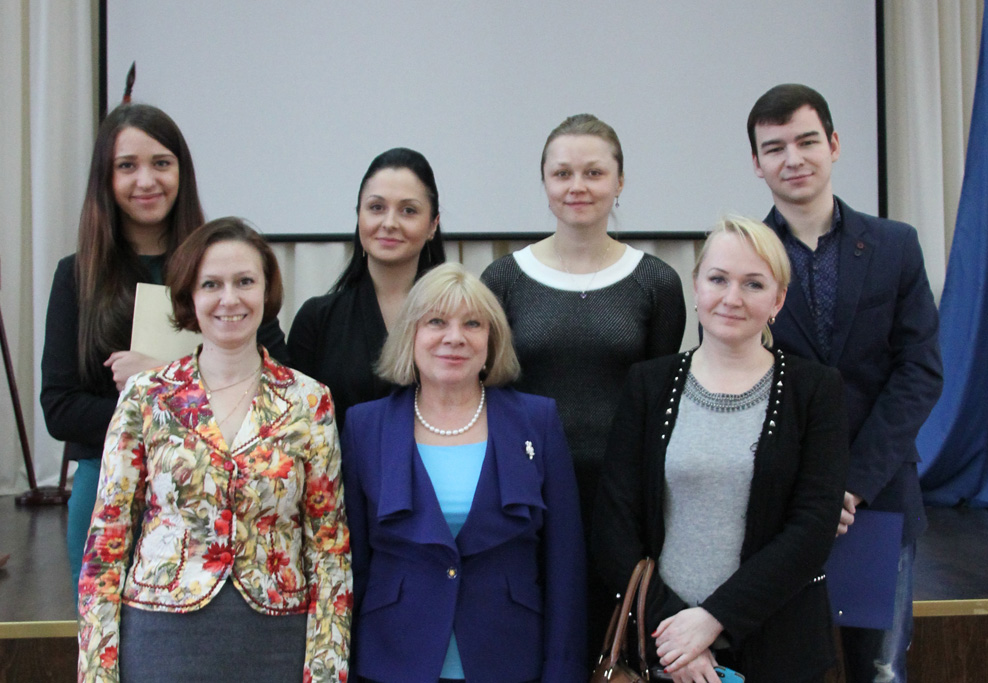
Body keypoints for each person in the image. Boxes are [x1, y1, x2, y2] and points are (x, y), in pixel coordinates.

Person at [76, 218, 351, 683]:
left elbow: (329, 548)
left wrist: (327, 669)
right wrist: (96, 672)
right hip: (160, 639)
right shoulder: (146, 395)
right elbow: (107, 543)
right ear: (189, 295)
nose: (229, 299)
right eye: (211, 284)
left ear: (266, 291)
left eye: (245, 282)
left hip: (276, 640)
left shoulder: (309, 400)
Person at [40, 103, 288, 594]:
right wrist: (166, 406)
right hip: (107, 487)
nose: (146, 180)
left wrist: (164, 380)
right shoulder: (77, 274)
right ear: (106, 178)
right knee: (107, 635)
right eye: (127, 166)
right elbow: (60, 409)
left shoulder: (222, 264)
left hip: (217, 489)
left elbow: (281, 381)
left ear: (182, 171)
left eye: (161, 163)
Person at [593, 217, 849, 683]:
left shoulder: (815, 390)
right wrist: (676, 638)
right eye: (718, 279)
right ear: (696, 287)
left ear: (778, 300)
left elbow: (812, 529)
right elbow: (615, 525)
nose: (732, 298)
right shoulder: (648, 384)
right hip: (664, 651)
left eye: (753, 284)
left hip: (779, 648)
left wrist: (713, 620)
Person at [747, 84, 943, 683]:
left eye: (807, 141)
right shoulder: (744, 256)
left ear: (833, 144)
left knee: (880, 672)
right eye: (774, 148)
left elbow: (920, 371)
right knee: (781, 669)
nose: (793, 159)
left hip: (876, 498)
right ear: (757, 163)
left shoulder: (895, 245)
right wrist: (814, 486)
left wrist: (851, 484)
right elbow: (736, 376)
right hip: (780, 503)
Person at [480, 114, 685, 655]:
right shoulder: (502, 279)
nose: (578, 186)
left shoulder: (656, 282)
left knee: (608, 645)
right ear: (544, 182)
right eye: (562, 173)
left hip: (621, 499)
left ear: (620, 181)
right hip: (527, 492)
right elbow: (490, 391)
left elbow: (662, 407)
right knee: (532, 635)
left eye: (594, 173)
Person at [342, 263, 586, 683]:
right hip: (393, 660)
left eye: (472, 324)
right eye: (436, 322)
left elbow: (565, 563)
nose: (454, 337)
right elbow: (352, 563)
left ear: (491, 340)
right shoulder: (365, 426)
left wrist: (562, 672)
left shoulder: (536, 420)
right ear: (410, 335)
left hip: (509, 661)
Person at [287, 147, 446, 428]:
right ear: (358, 215)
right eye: (376, 208)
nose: (389, 223)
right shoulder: (317, 320)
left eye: (408, 211)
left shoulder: (459, 317)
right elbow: (297, 426)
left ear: (433, 224)